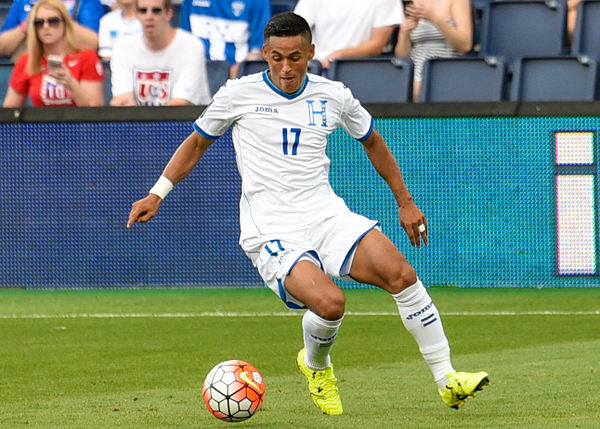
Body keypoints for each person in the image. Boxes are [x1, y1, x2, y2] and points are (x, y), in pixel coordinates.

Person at [127, 12, 489, 415]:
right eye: (277, 57)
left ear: (311, 53)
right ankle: (316, 365)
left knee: (402, 275)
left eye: (295, 57)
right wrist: (157, 193)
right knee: (331, 304)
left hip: (326, 214)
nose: (286, 68)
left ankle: (447, 378)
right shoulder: (237, 94)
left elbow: (373, 142)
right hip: (271, 227)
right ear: (264, 53)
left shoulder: (333, 95)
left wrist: (404, 200)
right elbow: (196, 144)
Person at [3, 0, 105, 107]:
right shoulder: (27, 60)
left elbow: (94, 108)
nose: (46, 27)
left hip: (79, 123)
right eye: (39, 22)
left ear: (65, 23)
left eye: (53, 21)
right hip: (42, 123)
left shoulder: (87, 57)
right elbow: (9, 111)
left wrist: (70, 82)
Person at [109, 0, 211, 106]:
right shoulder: (122, 48)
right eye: (143, 11)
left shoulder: (191, 46)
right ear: (136, 14)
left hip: (187, 121)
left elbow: (180, 105)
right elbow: (123, 101)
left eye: (156, 11)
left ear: (169, 13)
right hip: (138, 121)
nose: (149, 17)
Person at [394, 0, 472, 101]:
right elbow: (402, 57)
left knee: (418, 89)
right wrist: (403, 34)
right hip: (415, 67)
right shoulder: (412, 3)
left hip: (444, 68)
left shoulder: (458, 1)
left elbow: (465, 45)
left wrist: (435, 19)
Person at [293, 0, 404, 71]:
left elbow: (377, 45)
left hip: (358, 69)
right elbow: (293, 32)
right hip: (313, 68)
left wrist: (339, 55)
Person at [179, 0, 271, 78]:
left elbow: (258, 49)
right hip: (197, 73)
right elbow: (185, 40)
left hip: (238, 75)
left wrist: (236, 72)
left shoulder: (258, 2)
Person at [0, 0, 104, 62]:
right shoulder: (24, 1)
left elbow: (93, 44)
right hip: (30, 67)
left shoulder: (85, 1)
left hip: (71, 67)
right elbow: (2, 47)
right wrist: (27, 24)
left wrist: (61, 17)